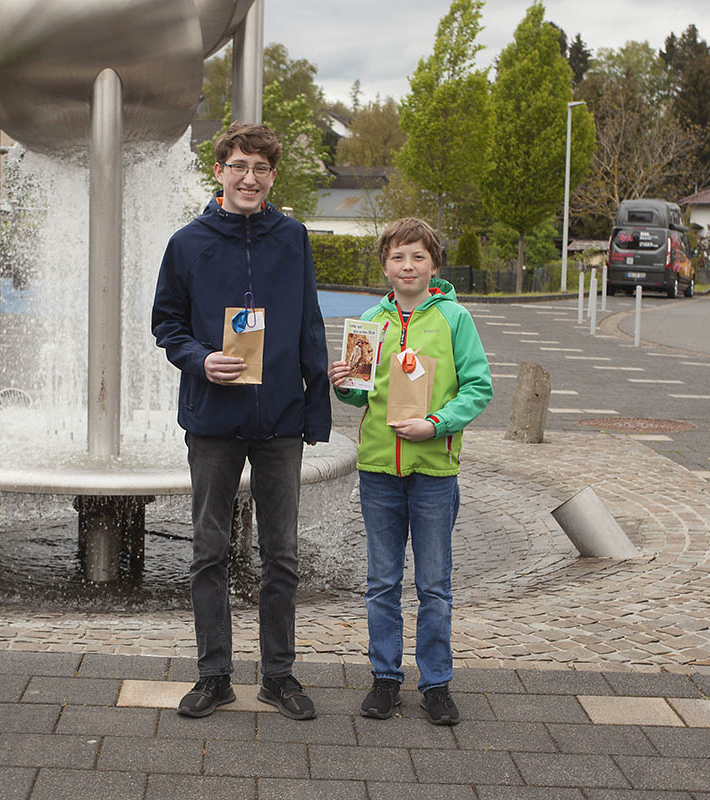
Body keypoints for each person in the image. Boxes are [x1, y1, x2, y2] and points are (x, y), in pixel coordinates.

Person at [151, 123, 330, 720]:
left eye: (260, 168)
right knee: (209, 549)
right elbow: (166, 325)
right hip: (213, 418)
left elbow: (309, 323)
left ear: (272, 176)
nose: (249, 178)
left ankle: (279, 674)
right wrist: (201, 359)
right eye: (238, 166)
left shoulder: (293, 238)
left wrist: (316, 409)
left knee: (281, 552)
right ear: (219, 172)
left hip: (279, 418)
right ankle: (214, 674)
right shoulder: (188, 242)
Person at [328, 218, 492, 725]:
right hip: (379, 467)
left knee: (435, 585)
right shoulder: (370, 320)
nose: (407, 266)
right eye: (398, 257)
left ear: (434, 264)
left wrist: (437, 423)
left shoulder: (454, 319)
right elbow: (358, 393)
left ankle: (436, 683)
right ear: (385, 265)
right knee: (381, 581)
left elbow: (478, 387)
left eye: (417, 257)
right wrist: (343, 385)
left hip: (434, 471)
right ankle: (385, 678)